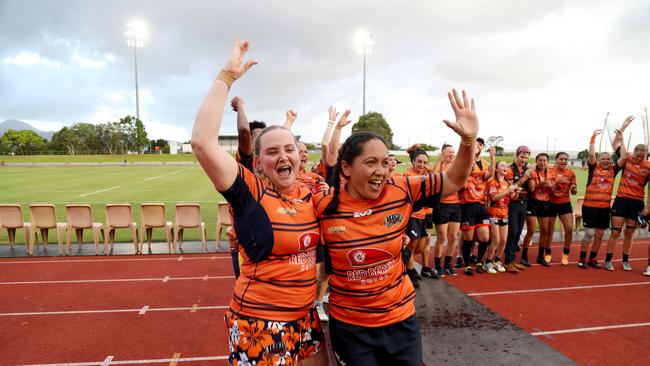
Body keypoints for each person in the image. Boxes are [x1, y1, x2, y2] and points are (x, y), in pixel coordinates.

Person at [314, 89, 478, 366]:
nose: (381, 170)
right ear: (346, 168)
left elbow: (453, 180)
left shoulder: (402, 189)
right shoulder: (323, 206)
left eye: (384, 162)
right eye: (370, 162)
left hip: (400, 322)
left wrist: (468, 140)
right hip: (350, 327)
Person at [192, 39, 328, 365]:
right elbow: (201, 143)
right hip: (260, 324)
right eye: (271, 151)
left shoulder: (311, 189)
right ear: (259, 161)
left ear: (299, 154)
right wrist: (226, 77)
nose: (282, 156)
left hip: (305, 318)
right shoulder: (250, 192)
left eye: (289, 149)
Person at [604, 117, 650, 272]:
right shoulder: (627, 158)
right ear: (634, 152)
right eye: (638, 155)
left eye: (643, 157)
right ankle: (608, 260)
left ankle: (625, 260)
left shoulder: (648, 167)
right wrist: (623, 127)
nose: (639, 158)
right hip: (621, 199)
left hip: (637, 202)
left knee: (629, 233)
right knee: (615, 232)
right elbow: (615, 144)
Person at [578, 129, 626, 269]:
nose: (605, 160)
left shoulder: (613, 169)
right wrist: (592, 139)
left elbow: (623, 158)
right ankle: (582, 258)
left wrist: (621, 139)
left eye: (608, 159)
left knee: (599, 234)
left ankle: (593, 258)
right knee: (589, 234)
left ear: (611, 161)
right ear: (599, 160)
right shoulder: (594, 167)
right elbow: (591, 154)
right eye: (603, 159)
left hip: (604, 208)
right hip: (590, 207)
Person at [459, 140, 495, 275]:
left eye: (480, 145)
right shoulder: (464, 162)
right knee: (468, 237)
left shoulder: (484, 166)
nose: (478, 147)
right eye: (475, 145)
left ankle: (480, 261)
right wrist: (470, 159)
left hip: (480, 205)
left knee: (484, 237)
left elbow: (490, 174)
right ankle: (467, 264)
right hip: (467, 204)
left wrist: (492, 156)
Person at [403, 145, 437, 283]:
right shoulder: (408, 175)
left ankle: (408, 267)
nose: (422, 165)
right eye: (419, 162)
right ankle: (410, 272)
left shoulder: (423, 172)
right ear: (413, 162)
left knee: (421, 247)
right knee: (411, 246)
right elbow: (431, 179)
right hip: (412, 216)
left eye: (425, 162)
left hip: (423, 215)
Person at [485, 161, 520, 273]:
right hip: (494, 213)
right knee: (496, 240)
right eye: (502, 165)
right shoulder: (492, 182)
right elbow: (494, 198)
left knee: (504, 240)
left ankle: (498, 261)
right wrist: (507, 192)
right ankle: (488, 262)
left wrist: (516, 193)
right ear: (496, 169)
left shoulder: (506, 182)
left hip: (504, 212)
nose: (506, 167)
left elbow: (513, 198)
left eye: (506, 165)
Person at [503, 146, 534, 273]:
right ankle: (508, 261)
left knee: (519, 231)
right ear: (516, 155)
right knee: (513, 232)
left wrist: (530, 176)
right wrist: (525, 177)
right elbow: (512, 187)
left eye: (526, 157)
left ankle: (512, 260)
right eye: (522, 157)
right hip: (513, 204)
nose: (524, 160)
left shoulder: (526, 169)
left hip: (524, 203)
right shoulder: (510, 170)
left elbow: (531, 189)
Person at [432, 144, 461, 276]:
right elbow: (433, 178)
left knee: (453, 237)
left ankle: (448, 264)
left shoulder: (456, 167)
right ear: (443, 153)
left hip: (455, 205)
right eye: (448, 152)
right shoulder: (440, 165)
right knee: (442, 237)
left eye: (453, 152)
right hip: (442, 205)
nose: (451, 154)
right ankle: (438, 266)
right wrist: (439, 160)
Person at [548, 152, 578, 265]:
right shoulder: (550, 171)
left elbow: (574, 192)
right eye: (561, 159)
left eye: (565, 159)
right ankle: (548, 252)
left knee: (569, 228)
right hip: (550, 203)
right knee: (549, 230)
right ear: (556, 160)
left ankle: (565, 253)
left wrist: (574, 188)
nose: (563, 161)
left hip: (565, 203)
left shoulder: (570, 173)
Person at [524, 153, 553, 266]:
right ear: (536, 161)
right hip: (533, 202)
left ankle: (540, 256)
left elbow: (553, 189)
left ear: (547, 161)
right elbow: (531, 189)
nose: (542, 162)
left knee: (545, 231)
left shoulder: (550, 173)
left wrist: (550, 186)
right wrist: (539, 184)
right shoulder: (532, 171)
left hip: (545, 202)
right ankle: (524, 256)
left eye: (544, 160)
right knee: (531, 230)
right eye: (540, 160)